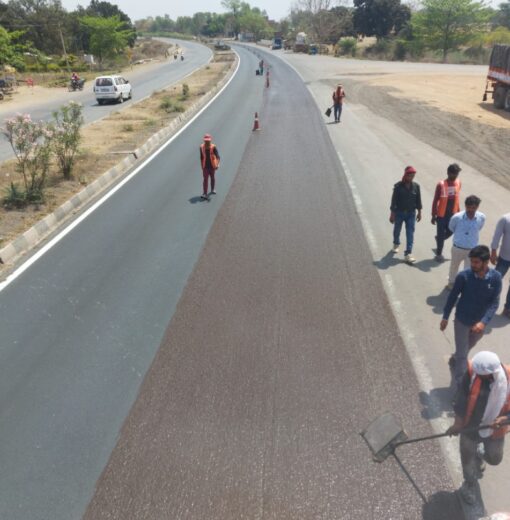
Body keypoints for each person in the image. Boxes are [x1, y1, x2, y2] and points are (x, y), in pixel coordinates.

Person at [447, 351, 510, 505]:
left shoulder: (508, 378)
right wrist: (457, 424)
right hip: (471, 426)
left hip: (495, 428)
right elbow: (461, 399)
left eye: (482, 375)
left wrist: (506, 418)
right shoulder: (472, 371)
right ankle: (468, 485)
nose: (477, 376)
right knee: (467, 457)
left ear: (492, 374)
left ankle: (480, 452)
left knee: (495, 458)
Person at [441, 245, 502, 386]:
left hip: (479, 324)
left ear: (486, 262)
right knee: (463, 355)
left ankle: (455, 357)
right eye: (472, 261)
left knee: (469, 345)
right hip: (462, 320)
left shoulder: (496, 278)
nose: (472, 265)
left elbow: (494, 303)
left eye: (476, 262)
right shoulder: (464, 276)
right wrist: (445, 316)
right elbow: (452, 297)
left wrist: (483, 322)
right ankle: (458, 387)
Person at [447, 195, 485, 290]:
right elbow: (451, 228)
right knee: (454, 267)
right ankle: (451, 282)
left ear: (477, 207)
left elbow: (479, 228)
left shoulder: (481, 217)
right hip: (458, 248)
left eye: (474, 207)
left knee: (469, 269)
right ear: (465, 206)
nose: (471, 210)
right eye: (469, 207)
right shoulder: (457, 217)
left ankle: (465, 284)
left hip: (472, 250)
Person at [389, 166, 422, 264]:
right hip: (399, 213)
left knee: (410, 233)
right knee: (397, 230)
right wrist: (392, 214)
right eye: (410, 176)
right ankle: (396, 243)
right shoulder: (398, 187)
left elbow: (418, 201)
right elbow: (393, 201)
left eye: (413, 176)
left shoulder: (416, 186)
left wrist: (419, 212)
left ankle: (408, 253)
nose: (411, 178)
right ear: (405, 175)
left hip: (411, 214)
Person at [431, 163, 462, 262]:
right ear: (448, 173)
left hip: (452, 215)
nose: (455, 176)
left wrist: (459, 212)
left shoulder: (458, 183)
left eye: (457, 174)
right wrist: (433, 215)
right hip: (441, 215)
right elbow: (436, 200)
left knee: (451, 231)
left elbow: (457, 199)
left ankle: (440, 239)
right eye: (453, 174)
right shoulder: (441, 184)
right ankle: (439, 254)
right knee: (440, 234)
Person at [490, 212, 510, 319]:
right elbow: (497, 235)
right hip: (504, 258)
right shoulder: (505, 219)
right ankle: (488, 303)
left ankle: (508, 308)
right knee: (496, 280)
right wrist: (493, 251)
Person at [199, 134, 220, 200]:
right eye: (206, 141)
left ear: (210, 141)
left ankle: (213, 189)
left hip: (212, 166)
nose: (207, 142)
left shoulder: (213, 147)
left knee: (212, 177)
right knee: (205, 179)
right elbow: (201, 157)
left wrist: (217, 164)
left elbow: (218, 157)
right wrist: (202, 166)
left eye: (208, 141)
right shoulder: (201, 147)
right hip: (205, 166)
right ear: (204, 141)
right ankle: (205, 193)